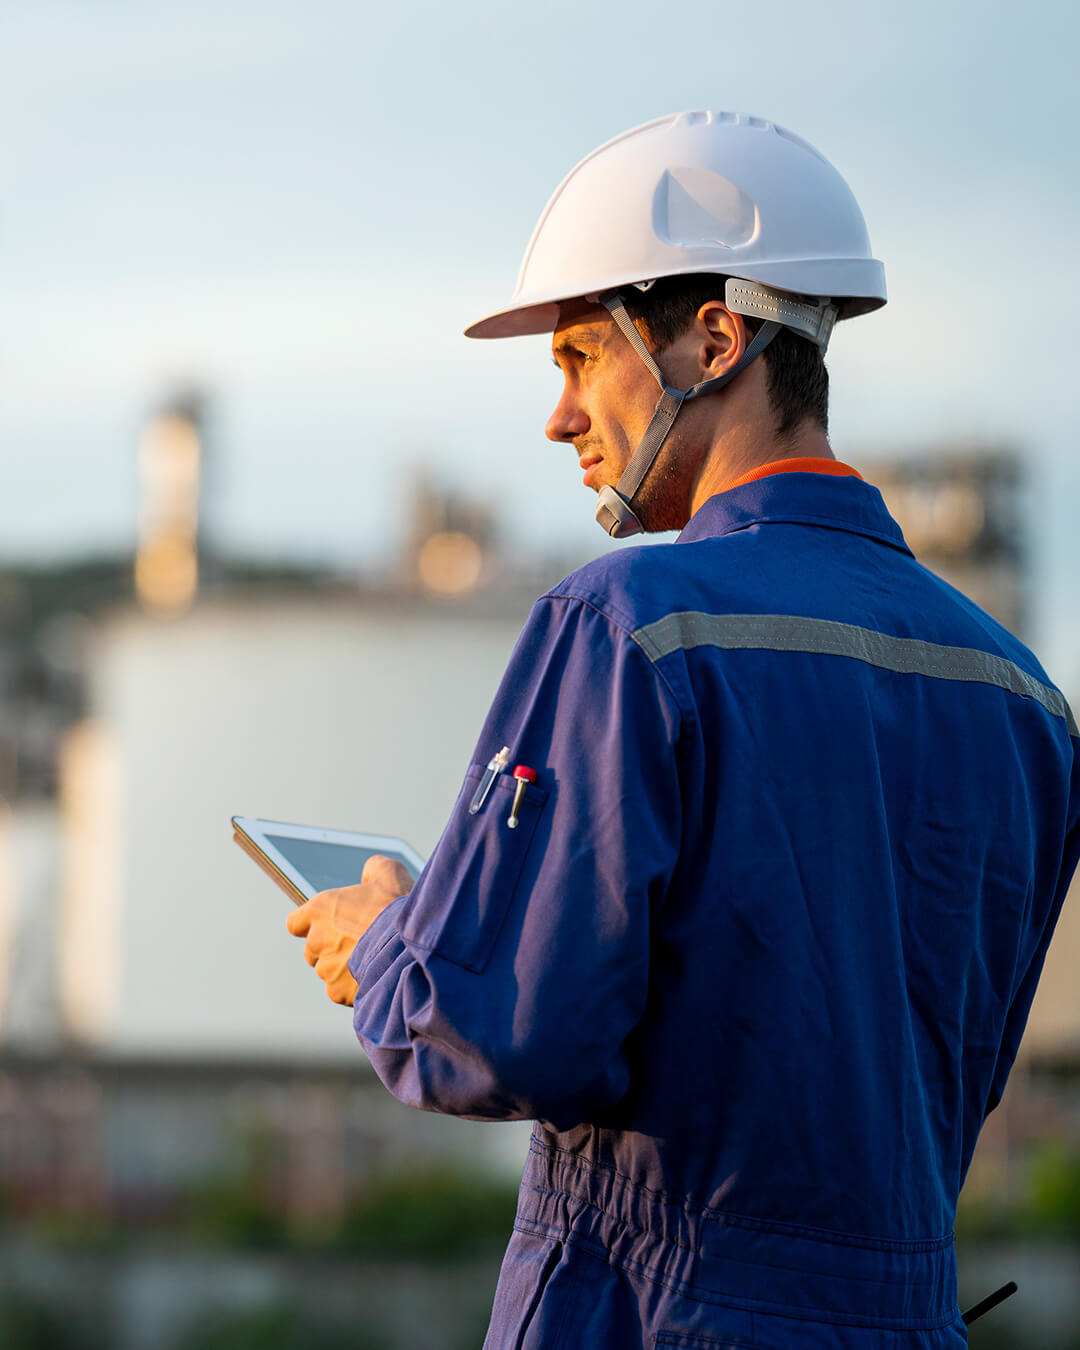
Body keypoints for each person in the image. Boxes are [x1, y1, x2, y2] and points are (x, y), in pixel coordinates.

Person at [286, 112, 1079, 1347]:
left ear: (714, 338)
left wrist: (389, 945)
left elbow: (494, 1030)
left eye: (580, 358)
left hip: (657, 1310)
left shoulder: (632, 620)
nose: (559, 417)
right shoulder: (1021, 690)